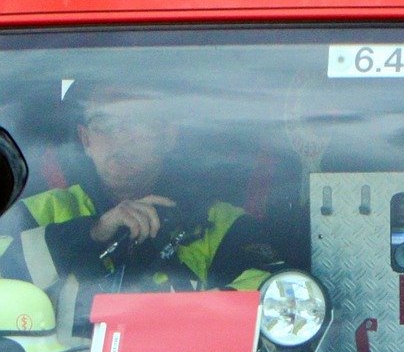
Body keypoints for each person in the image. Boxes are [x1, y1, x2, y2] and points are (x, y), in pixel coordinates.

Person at [0, 83, 281, 334]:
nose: (120, 137)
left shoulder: (222, 223)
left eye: (136, 122)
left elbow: (271, 296)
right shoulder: (38, 212)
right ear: (86, 141)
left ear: (168, 136)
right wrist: (92, 234)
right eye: (104, 125)